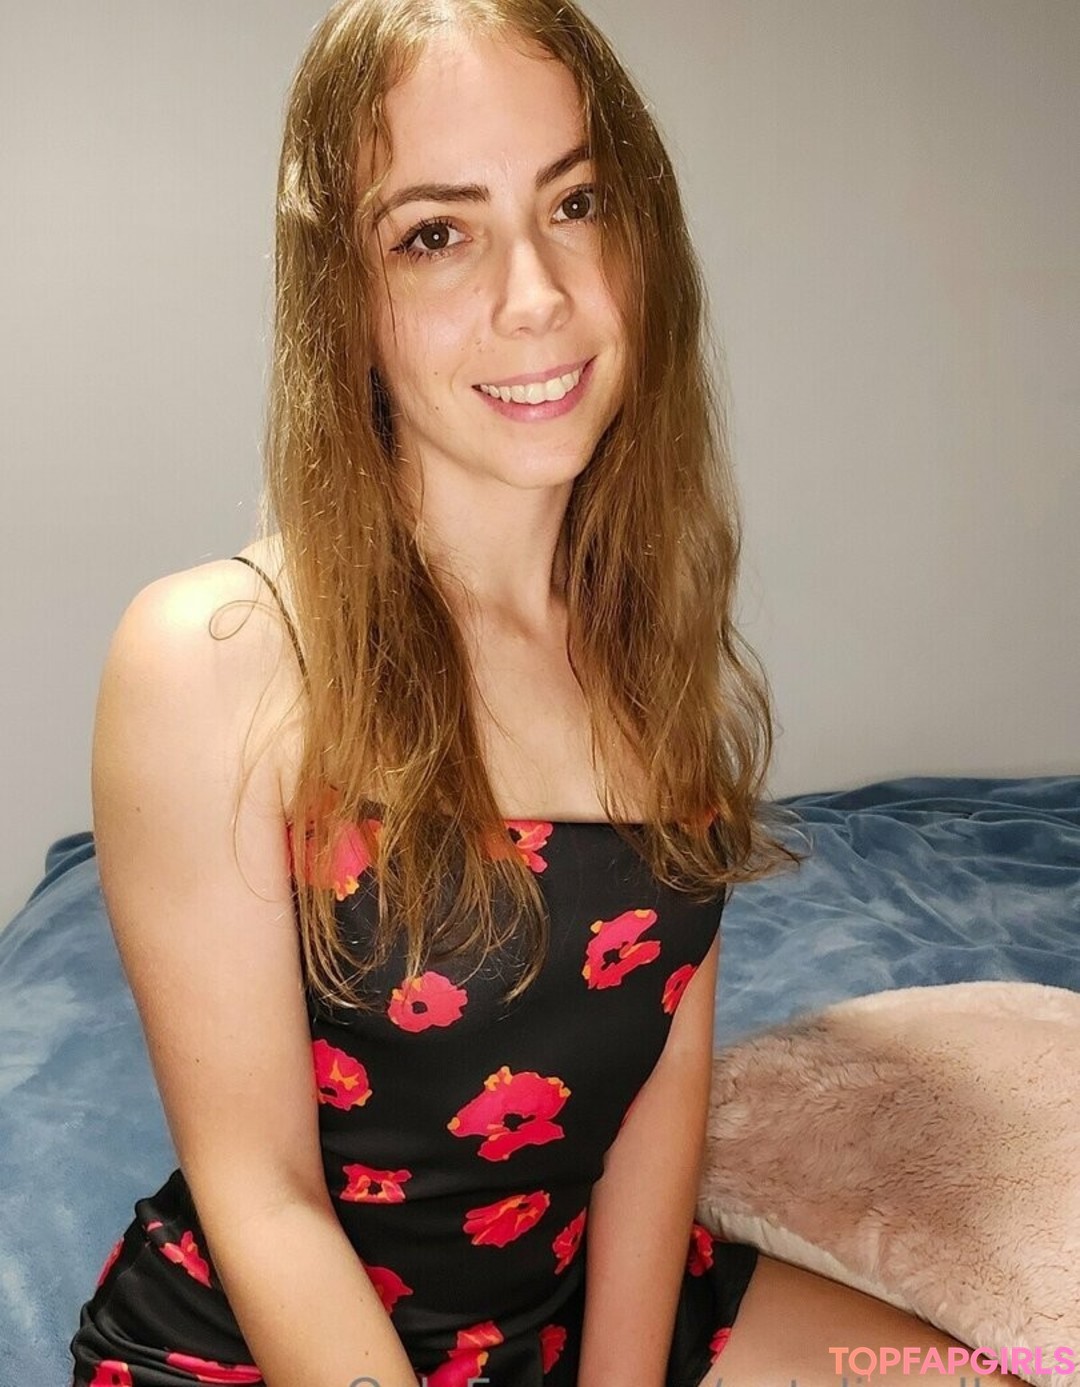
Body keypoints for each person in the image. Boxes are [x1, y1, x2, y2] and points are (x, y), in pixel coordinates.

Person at [69, 2, 1030, 1385]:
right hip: (271, 1351)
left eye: (575, 203)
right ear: (345, 298)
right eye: (435, 233)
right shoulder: (208, 654)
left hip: (572, 1303)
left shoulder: (646, 628)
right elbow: (263, 1197)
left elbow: (654, 1099)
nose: (538, 296)